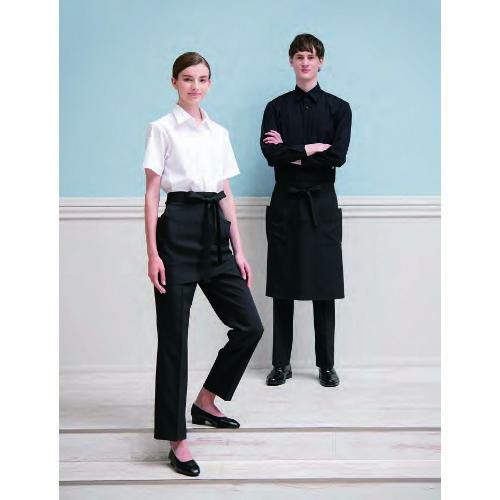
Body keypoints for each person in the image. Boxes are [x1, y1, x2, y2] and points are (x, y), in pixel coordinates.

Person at [143, 52, 263, 477]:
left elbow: (225, 192)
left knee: (249, 326)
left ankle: (206, 401)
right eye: (188, 79)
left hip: (215, 234)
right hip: (176, 233)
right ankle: (176, 439)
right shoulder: (162, 129)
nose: (195, 86)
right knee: (174, 339)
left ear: (210, 83)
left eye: (203, 79)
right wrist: (153, 253)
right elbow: (152, 194)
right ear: (174, 82)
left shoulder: (219, 133)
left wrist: (239, 250)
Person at [260, 34, 352, 388]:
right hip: (285, 202)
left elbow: (337, 156)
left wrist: (293, 152)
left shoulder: (338, 108)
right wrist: (312, 148)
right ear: (291, 61)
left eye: (311, 57)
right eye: (299, 56)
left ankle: (326, 365)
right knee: (282, 285)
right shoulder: (275, 108)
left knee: (324, 287)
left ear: (321, 62)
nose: (305, 62)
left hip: (321, 204)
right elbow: (271, 155)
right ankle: (280, 364)